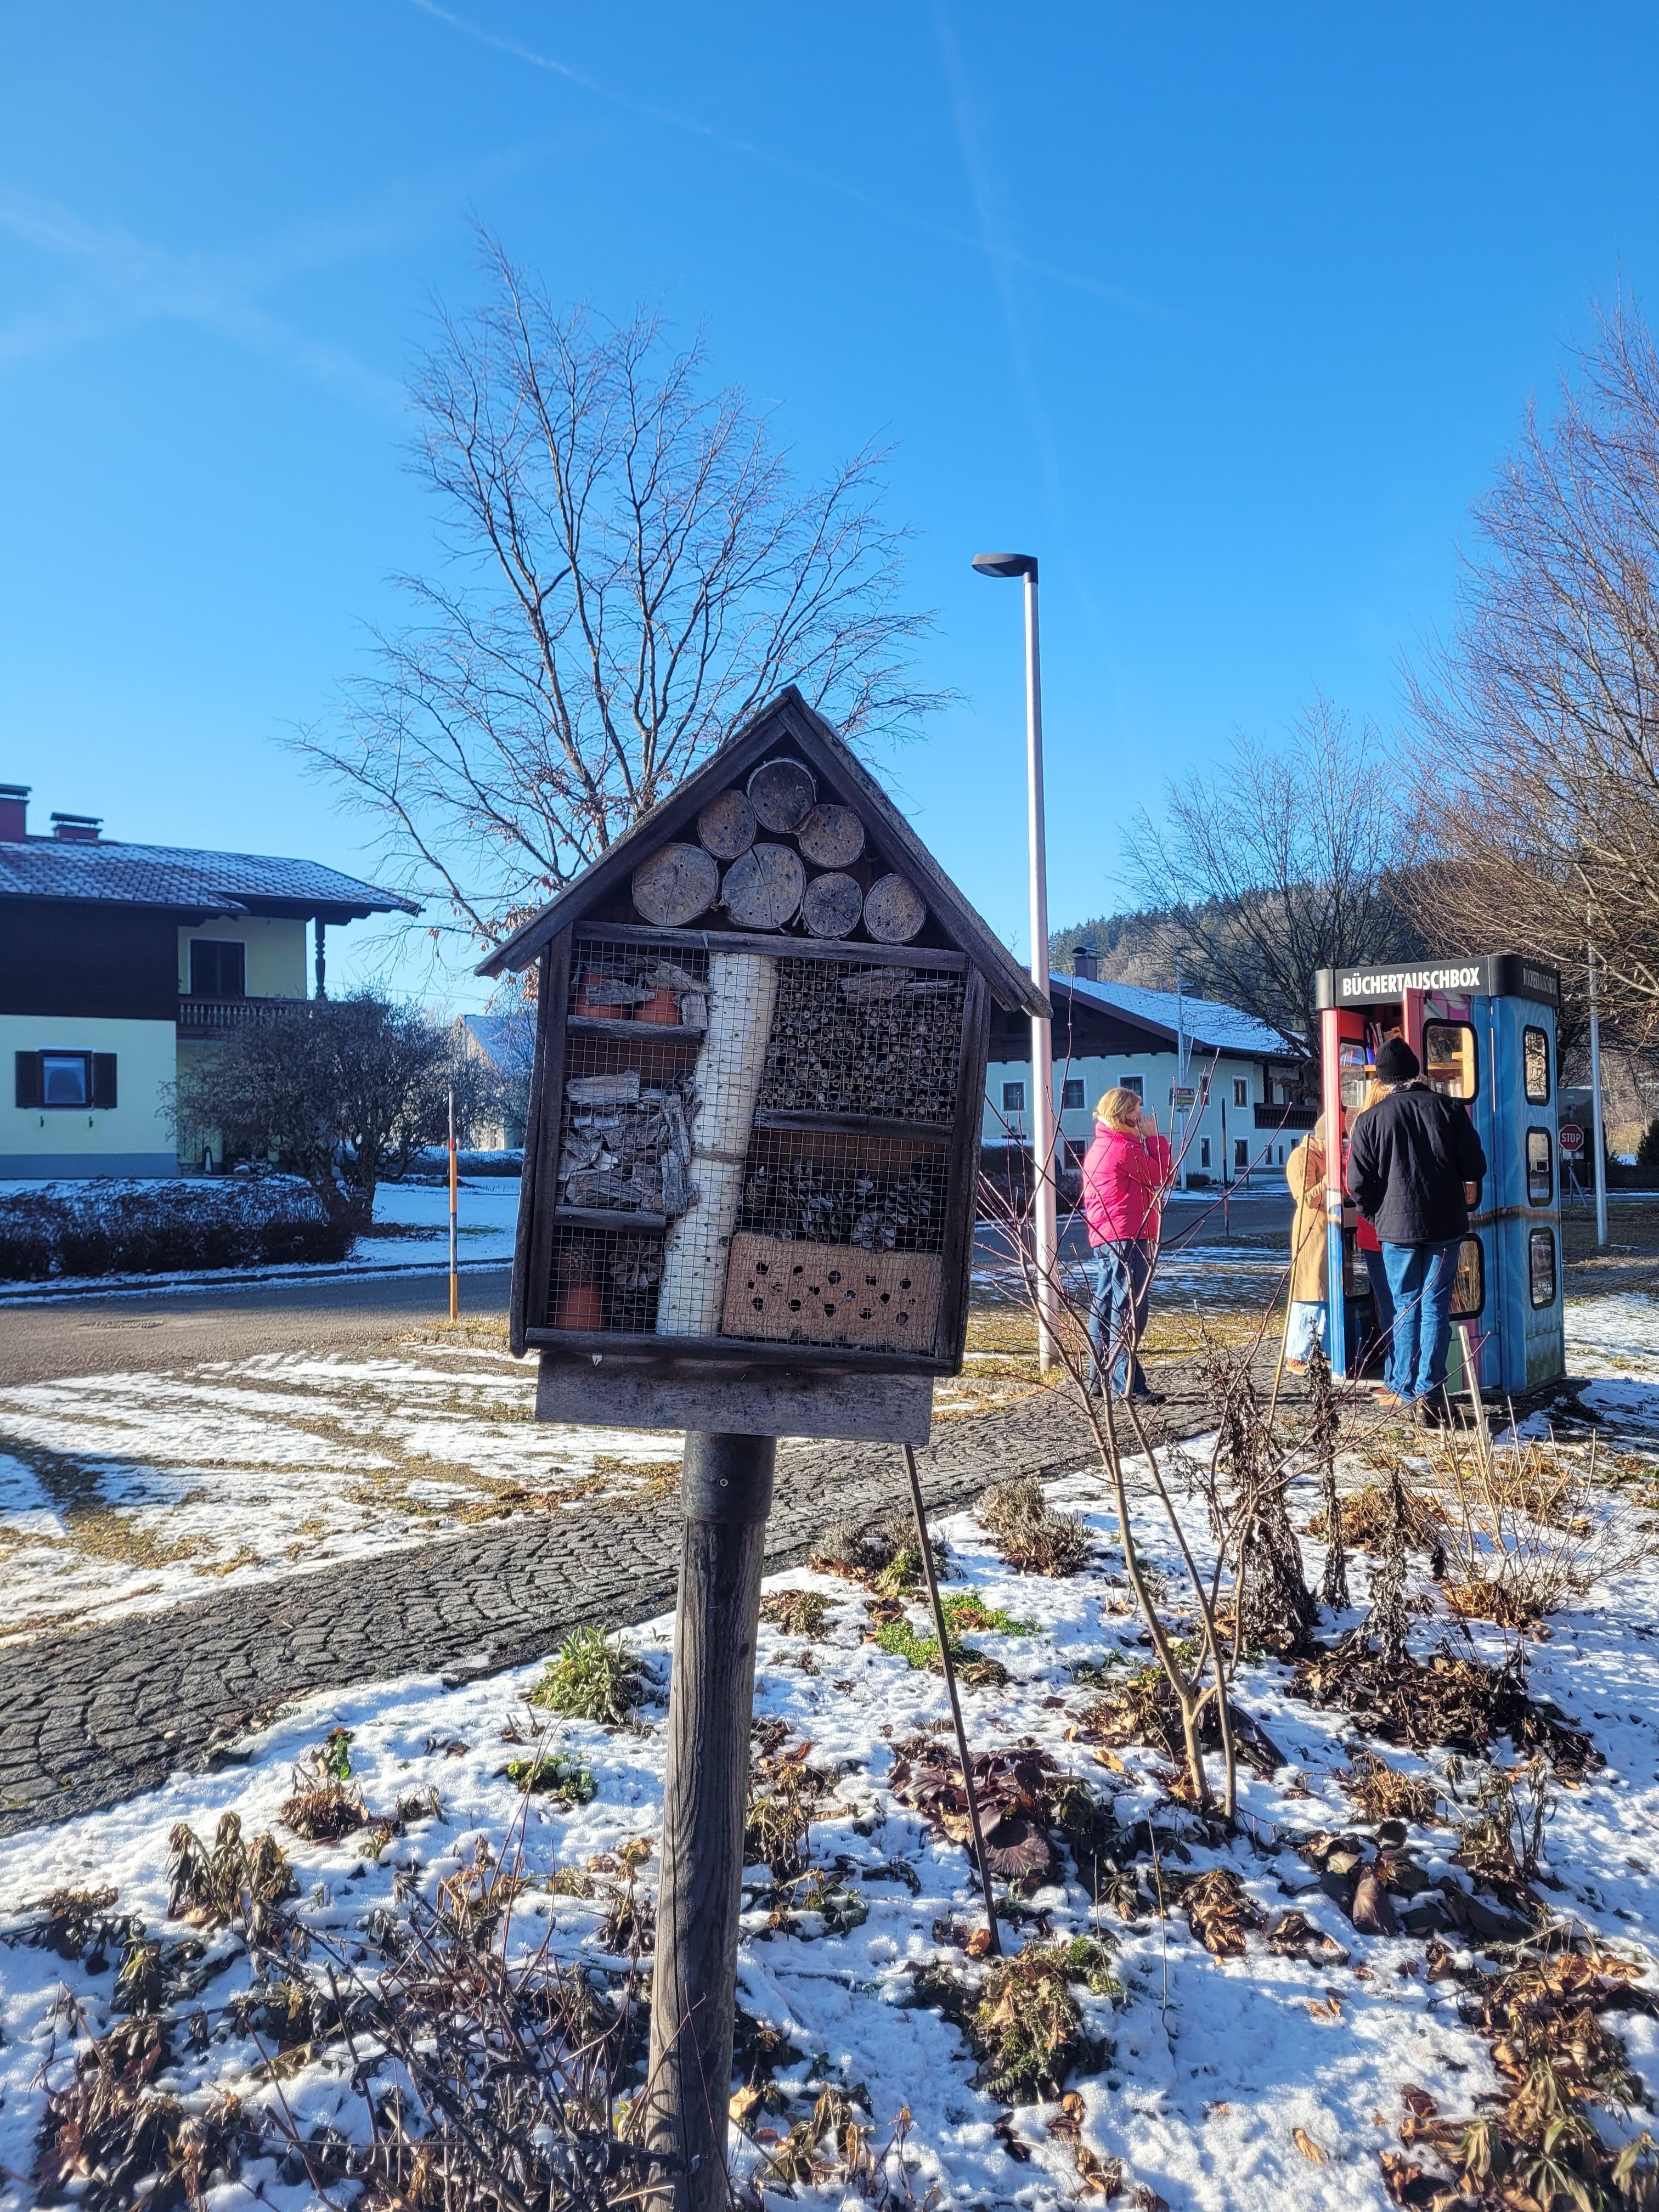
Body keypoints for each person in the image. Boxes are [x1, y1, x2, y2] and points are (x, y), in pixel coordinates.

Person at [1346, 1035, 1486, 1425]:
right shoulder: (1450, 1109)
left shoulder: (1369, 1121)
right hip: (1445, 1227)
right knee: (1435, 1308)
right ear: (1416, 1070)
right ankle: (1431, 1392)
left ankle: (1405, 1389)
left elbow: (1357, 1185)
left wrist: (1378, 1216)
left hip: (1396, 1231)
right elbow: (1475, 1167)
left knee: (1404, 1307)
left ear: (1383, 1079)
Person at [1081, 1086, 1172, 1402]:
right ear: (1122, 1115)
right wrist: (1154, 1139)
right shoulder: (1123, 1148)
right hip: (1127, 1235)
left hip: (1107, 1236)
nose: (1141, 1116)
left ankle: (1097, 1377)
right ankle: (1129, 1384)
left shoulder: (1101, 1146)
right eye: (1136, 1111)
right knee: (1130, 1309)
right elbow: (1160, 1175)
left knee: (1106, 1305)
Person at [1283, 1114, 1328, 1372]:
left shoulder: (1324, 1156)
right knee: (1309, 1289)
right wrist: (1329, 1180)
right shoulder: (1302, 1156)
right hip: (1311, 1231)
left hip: (1328, 1230)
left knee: (1325, 1291)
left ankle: (1322, 1349)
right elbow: (1306, 1198)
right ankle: (1297, 1353)